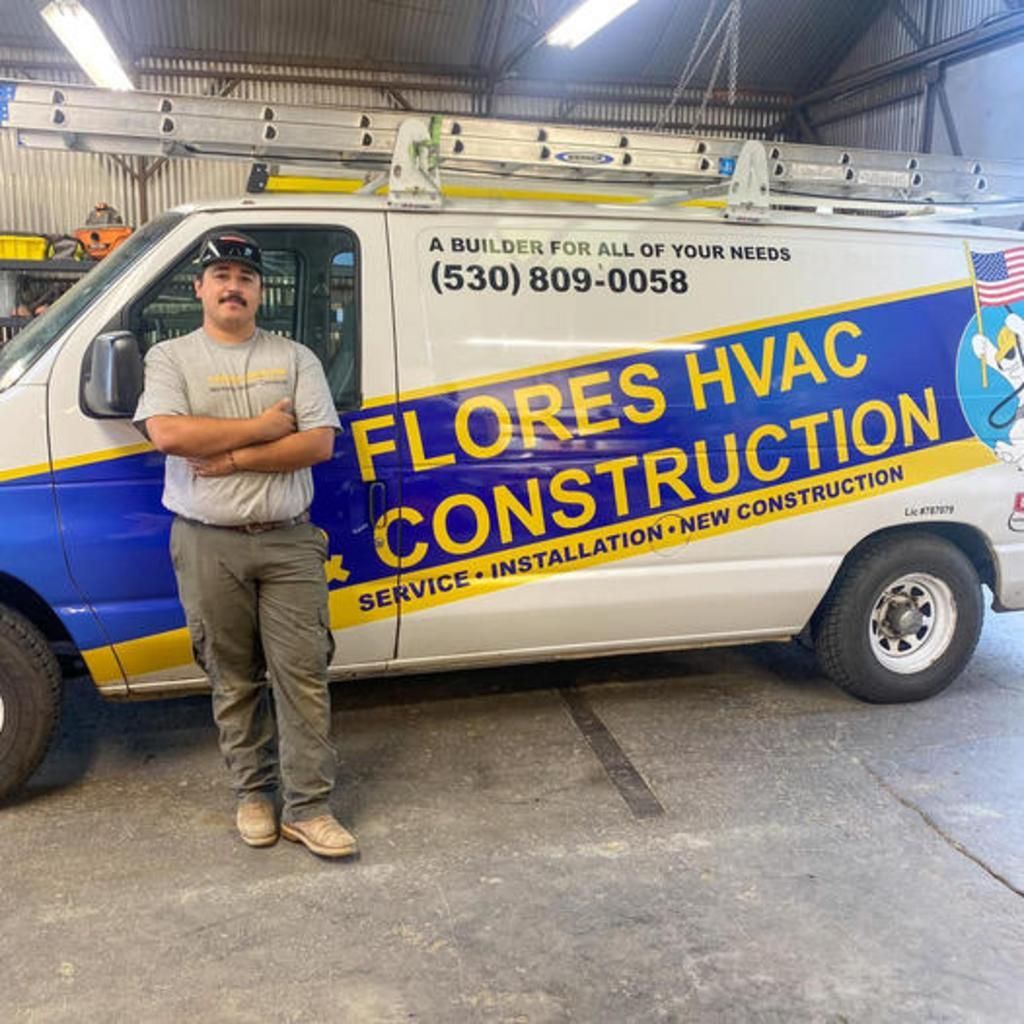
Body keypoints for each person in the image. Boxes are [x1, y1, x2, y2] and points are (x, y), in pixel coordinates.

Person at [133, 230, 357, 859]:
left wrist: (231, 457)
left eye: (245, 277)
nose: (233, 286)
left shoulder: (294, 356)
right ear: (200, 287)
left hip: (288, 540)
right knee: (231, 677)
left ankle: (309, 808)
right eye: (222, 275)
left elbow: (316, 444)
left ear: (261, 291)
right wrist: (263, 429)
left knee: (303, 675)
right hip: (207, 543)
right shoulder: (170, 359)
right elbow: (170, 434)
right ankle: (254, 794)